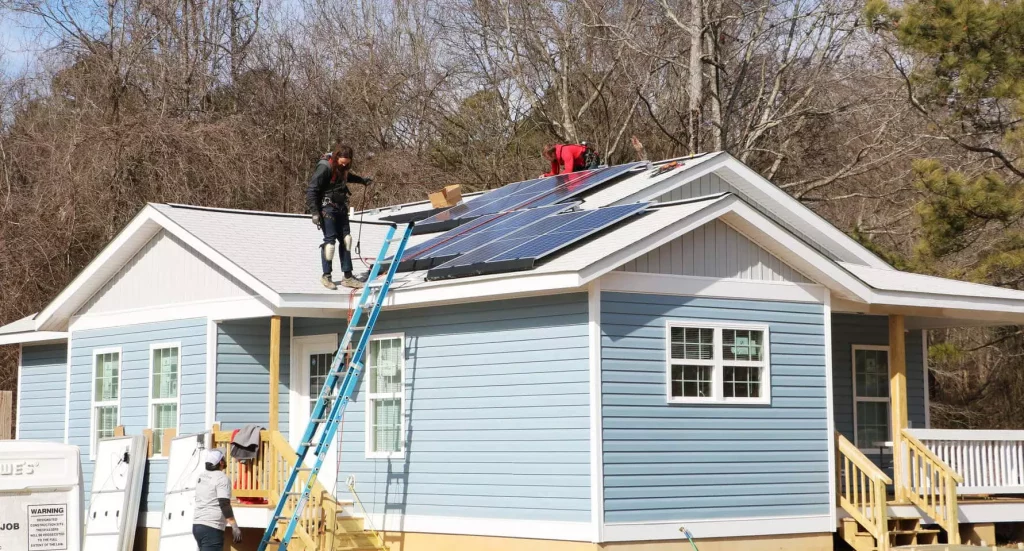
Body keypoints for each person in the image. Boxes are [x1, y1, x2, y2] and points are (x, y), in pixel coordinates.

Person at [305, 141, 373, 290]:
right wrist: (314, 212)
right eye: (342, 163)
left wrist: (362, 180)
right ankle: (326, 276)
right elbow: (312, 190)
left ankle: (348, 277)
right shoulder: (324, 167)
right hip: (326, 209)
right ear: (336, 158)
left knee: (346, 240)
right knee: (330, 243)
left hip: (341, 208)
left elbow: (346, 177)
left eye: (347, 164)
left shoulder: (343, 168)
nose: (344, 166)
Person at [192, 449, 242, 551]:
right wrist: (234, 526)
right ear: (221, 462)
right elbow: (224, 504)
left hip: (198, 525)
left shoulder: (201, 476)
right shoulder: (222, 478)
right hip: (212, 527)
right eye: (223, 458)